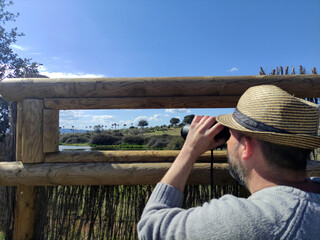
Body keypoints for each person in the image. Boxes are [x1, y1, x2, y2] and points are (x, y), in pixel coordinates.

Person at [137, 85, 320, 240]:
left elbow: (150, 227)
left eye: (230, 134)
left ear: (246, 146)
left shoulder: (245, 221)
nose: (227, 142)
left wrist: (189, 150)